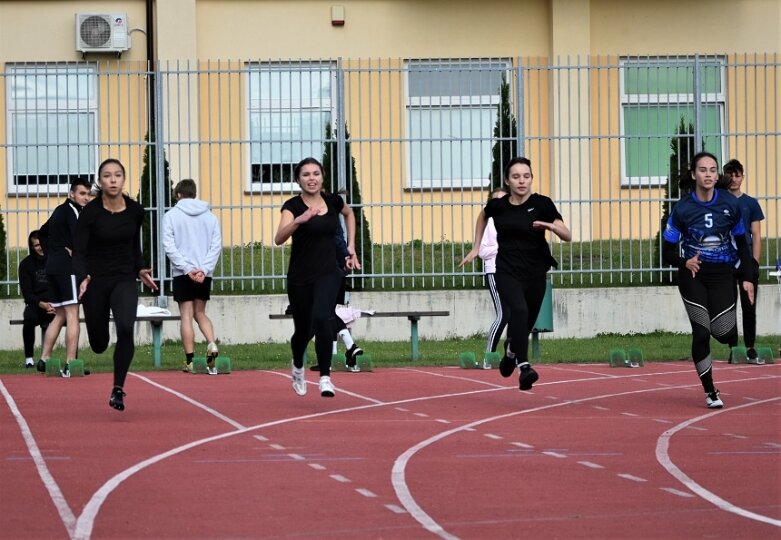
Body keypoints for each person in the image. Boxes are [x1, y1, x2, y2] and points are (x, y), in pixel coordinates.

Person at [460, 157, 571, 390]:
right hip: (507, 270)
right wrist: (475, 247)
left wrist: (550, 226)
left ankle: (510, 352)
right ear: (508, 180)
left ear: (531, 178)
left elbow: (567, 235)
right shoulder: (499, 206)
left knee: (525, 323)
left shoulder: (542, 204)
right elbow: (483, 216)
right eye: (516, 176)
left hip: (535, 271)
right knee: (517, 311)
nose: (522, 181)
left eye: (526, 176)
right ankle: (524, 368)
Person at [662, 152, 756, 408]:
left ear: (717, 175)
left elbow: (743, 244)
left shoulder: (730, 204)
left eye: (713, 170)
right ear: (694, 174)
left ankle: (727, 331)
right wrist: (685, 262)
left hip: (723, 274)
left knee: (724, 333)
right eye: (703, 170)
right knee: (701, 332)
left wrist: (747, 278)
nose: (708, 174)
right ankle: (710, 390)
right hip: (693, 275)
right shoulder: (682, 208)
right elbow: (667, 251)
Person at [73, 158, 158, 411]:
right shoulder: (90, 212)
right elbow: (79, 250)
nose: (112, 180)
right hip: (96, 280)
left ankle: (118, 389)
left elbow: (134, 246)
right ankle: (100, 341)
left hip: (123, 279)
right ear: (100, 181)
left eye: (117, 175)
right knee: (99, 344)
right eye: (107, 176)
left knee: (124, 327)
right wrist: (84, 276)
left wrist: (140, 267)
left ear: (123, 179)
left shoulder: (135, 210)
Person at [274, 157, 359, 398]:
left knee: (323, 318)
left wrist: (351, 247)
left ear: (322, 177)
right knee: (302, 331)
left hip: (329, 272)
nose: (311, 178)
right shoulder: (292, 206)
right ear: (298, 180)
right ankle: (298, 367)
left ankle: (324, 377)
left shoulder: (333, 201)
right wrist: (299, 221)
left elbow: (349, 214)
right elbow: (278, 238)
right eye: (306, 175)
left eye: (315, 174)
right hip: (300, 276)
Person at [162, 179, 222, 374]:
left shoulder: (171, 216)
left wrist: (187, 268)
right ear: (194, 193)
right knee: (200, 313)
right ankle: (211, 343)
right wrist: (203, 269)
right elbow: (215, 247)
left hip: (182, 272)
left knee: (186, 315)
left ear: (178, 194)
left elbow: (169, 246)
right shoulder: (211, 217)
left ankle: (190, 360)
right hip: (204, 274)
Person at [36, 178, 92, 376]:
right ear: (72, 194)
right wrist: (68, 252)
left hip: (53, 267)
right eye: (82, 193)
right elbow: (81, 241)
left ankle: (44, 358)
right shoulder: (73, 212)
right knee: (72, 314)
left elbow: (41, 233)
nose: (86, 197)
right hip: (66, 269)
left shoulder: (60, 210)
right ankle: (70, 362)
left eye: (88, 193)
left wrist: (52, 253)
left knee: (59, 314)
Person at [308, 219, 364, 373]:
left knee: (325, 313)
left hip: (328, 273)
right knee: (328, 314)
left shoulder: (324, 221)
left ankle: (344, 350)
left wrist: (346, 258)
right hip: (335, 272)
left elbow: (336, 241)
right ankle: (340, 352)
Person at [723, 159, 764, 363]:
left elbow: (756, 234)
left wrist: (754, 262)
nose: (733, 179)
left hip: (746, 261)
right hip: (726, 262)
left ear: (742, 177)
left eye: (737, 175)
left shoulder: (750, 203)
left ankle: (750, 346)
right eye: (729, 174)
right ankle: (733, 347)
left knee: (749, 306)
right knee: (729, 305)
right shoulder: (719, 201)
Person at [478, 188, 509, 369]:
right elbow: (481, 251)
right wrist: (501, 247)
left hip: (511, 273)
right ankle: (488, 358)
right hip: (495, 272)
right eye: (496, 200)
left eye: (504, 199)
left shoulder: (513, 222)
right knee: (503, 314)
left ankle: (511, 355)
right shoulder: (489, 222)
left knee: (517, 315)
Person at [18, 230, 55, 368]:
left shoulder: (55, 260)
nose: (40, 247)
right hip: (36, 304)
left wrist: (55, 304)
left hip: (55, 304)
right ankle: (29, 359)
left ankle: (72, 360)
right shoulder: (25, 265)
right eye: (36, 245)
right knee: (29, 319)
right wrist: (42, 304)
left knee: (71, 318)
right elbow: (27, 294)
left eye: (42, 244)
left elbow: (62, 285)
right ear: (32, 247)